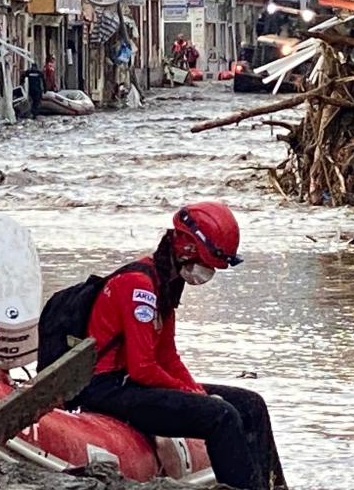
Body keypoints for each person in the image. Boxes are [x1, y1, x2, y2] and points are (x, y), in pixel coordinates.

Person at [75, 202, 286, 490]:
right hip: (110, 388)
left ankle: (271, 486)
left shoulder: (166, 283)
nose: (208, 272)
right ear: (186, 247)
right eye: (208, 262)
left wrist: (196, 392)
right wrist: (197, 396)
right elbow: (143, 368)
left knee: (251, 404)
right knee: (221, 417)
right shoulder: (140, 287)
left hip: (134, 383)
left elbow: (168, 356)